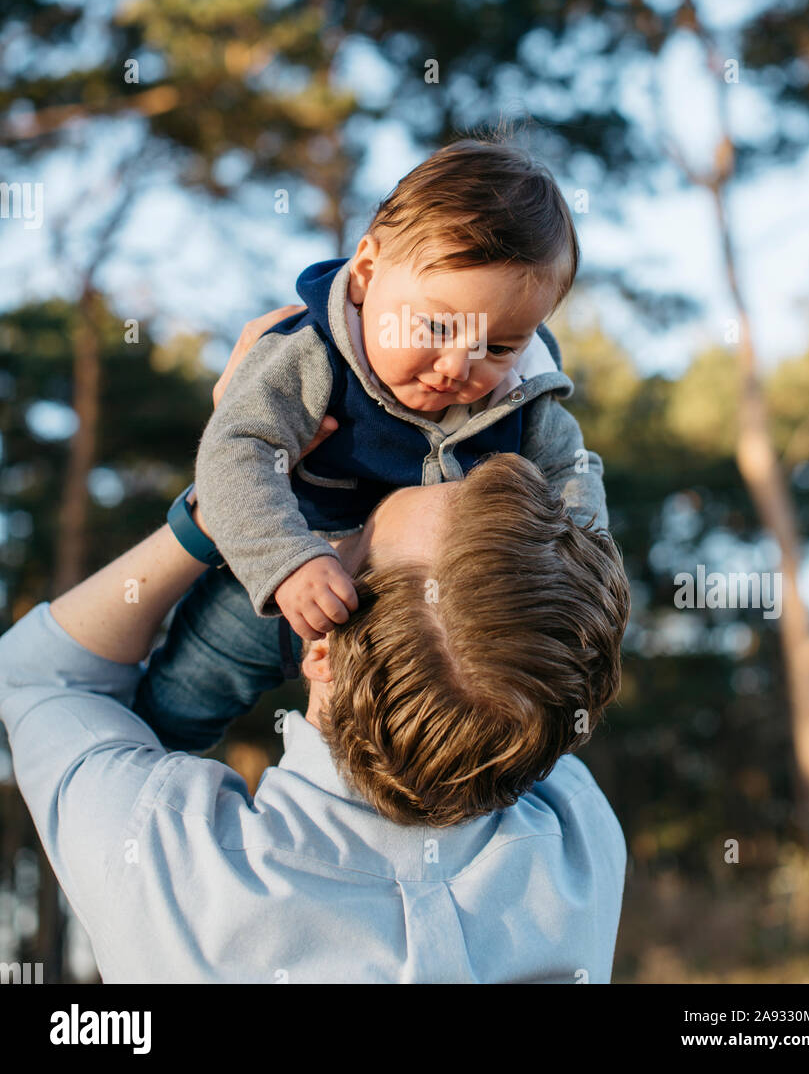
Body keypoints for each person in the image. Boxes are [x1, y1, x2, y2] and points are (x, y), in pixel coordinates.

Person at [0, 320, 631, 984]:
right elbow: (545, 661)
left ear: (320, 649)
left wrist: (224, 504)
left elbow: (35, 677)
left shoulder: (165, 856)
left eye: (353, 533)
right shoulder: (577, 844)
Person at [134, 136, 610, 752]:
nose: (456, 366)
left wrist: (576, 582)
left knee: (418, 749)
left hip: (418, 637)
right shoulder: (308, 357)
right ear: (365, 273)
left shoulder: (524, 400)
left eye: (497, 347)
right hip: (274, 582)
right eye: (438, 326)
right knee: (177, 703)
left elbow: (573, 481)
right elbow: (235, 450)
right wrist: (286, 558)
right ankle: (146, 809)